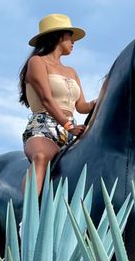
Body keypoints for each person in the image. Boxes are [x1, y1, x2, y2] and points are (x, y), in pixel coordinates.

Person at [18, 13, 97, 195]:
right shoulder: (37, 62)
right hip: (43, 127)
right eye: (70, 36)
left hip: (71, 130)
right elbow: (46, 99)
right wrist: (68, 125)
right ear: (58, 36)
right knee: (41, 156)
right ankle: (27, 217)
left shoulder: (72, 71)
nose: (73, 42)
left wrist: (100, 100)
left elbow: (81, 107)